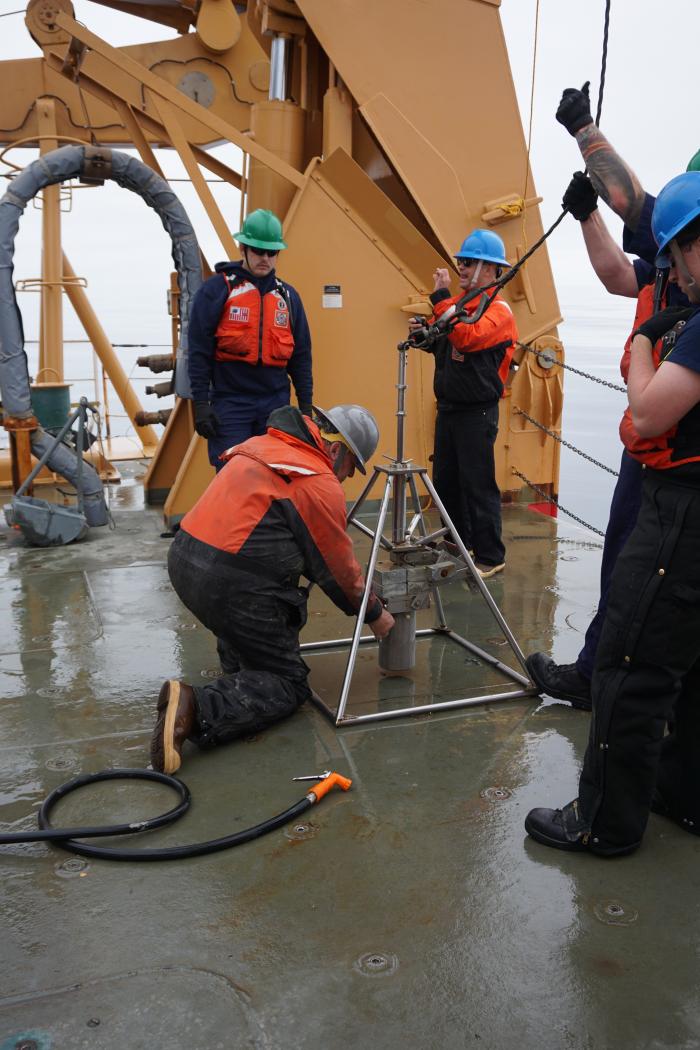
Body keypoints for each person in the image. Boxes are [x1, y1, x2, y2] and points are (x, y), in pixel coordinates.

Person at [525, 172, 700, 856]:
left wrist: (641, 351)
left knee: (632, 664)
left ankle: (604, 822)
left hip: (682, 516)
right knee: (693, 668)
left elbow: (649, 410)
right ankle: (685, 795)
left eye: (679, 258)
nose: (678, 279)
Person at [526, 82, 694, 710]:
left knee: (641, 571)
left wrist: (583, 130)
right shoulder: (670, 260)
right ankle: (600, 672)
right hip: (650, 445)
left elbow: (634, 201)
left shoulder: (679, 243)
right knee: (625, 562)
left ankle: (616, 685)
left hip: (672, 448)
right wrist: (588, 217)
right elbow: (619, 275)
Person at [150, 403, 395, 774]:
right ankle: (194, 706)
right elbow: (334, 568)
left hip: (185, 561)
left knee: (253, 612)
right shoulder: (315, 478)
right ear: (336, 450)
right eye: (349, 469)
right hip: (228, 584)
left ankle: (239, 665)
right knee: (288, 684)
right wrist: (375, 614)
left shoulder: (265, 446)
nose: (345, 478)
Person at [410, 229, 517, 579]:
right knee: (447, 482)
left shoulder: (498, 312)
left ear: (491, 270)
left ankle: (490, 555)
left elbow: (468, 338)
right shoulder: (463, 307)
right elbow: (446, 340)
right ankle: (457, 544)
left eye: (469, 263)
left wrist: (440, 298)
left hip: (477, 411)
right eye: (461, 262)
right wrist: (424, 333)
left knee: (478, 484)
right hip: (451, 408)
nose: (462, 268)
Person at [188, 208, 313, 470]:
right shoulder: (217, 291)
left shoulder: (288, 298)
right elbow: (198, 351)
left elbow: (301, 357)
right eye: (258, 251)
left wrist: (305, 409)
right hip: (230, 404)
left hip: (276, 405)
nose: (265, 258)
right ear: (243, 248)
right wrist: (200, 404)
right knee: (234, 476)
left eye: (272, 252)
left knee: (274, 477)